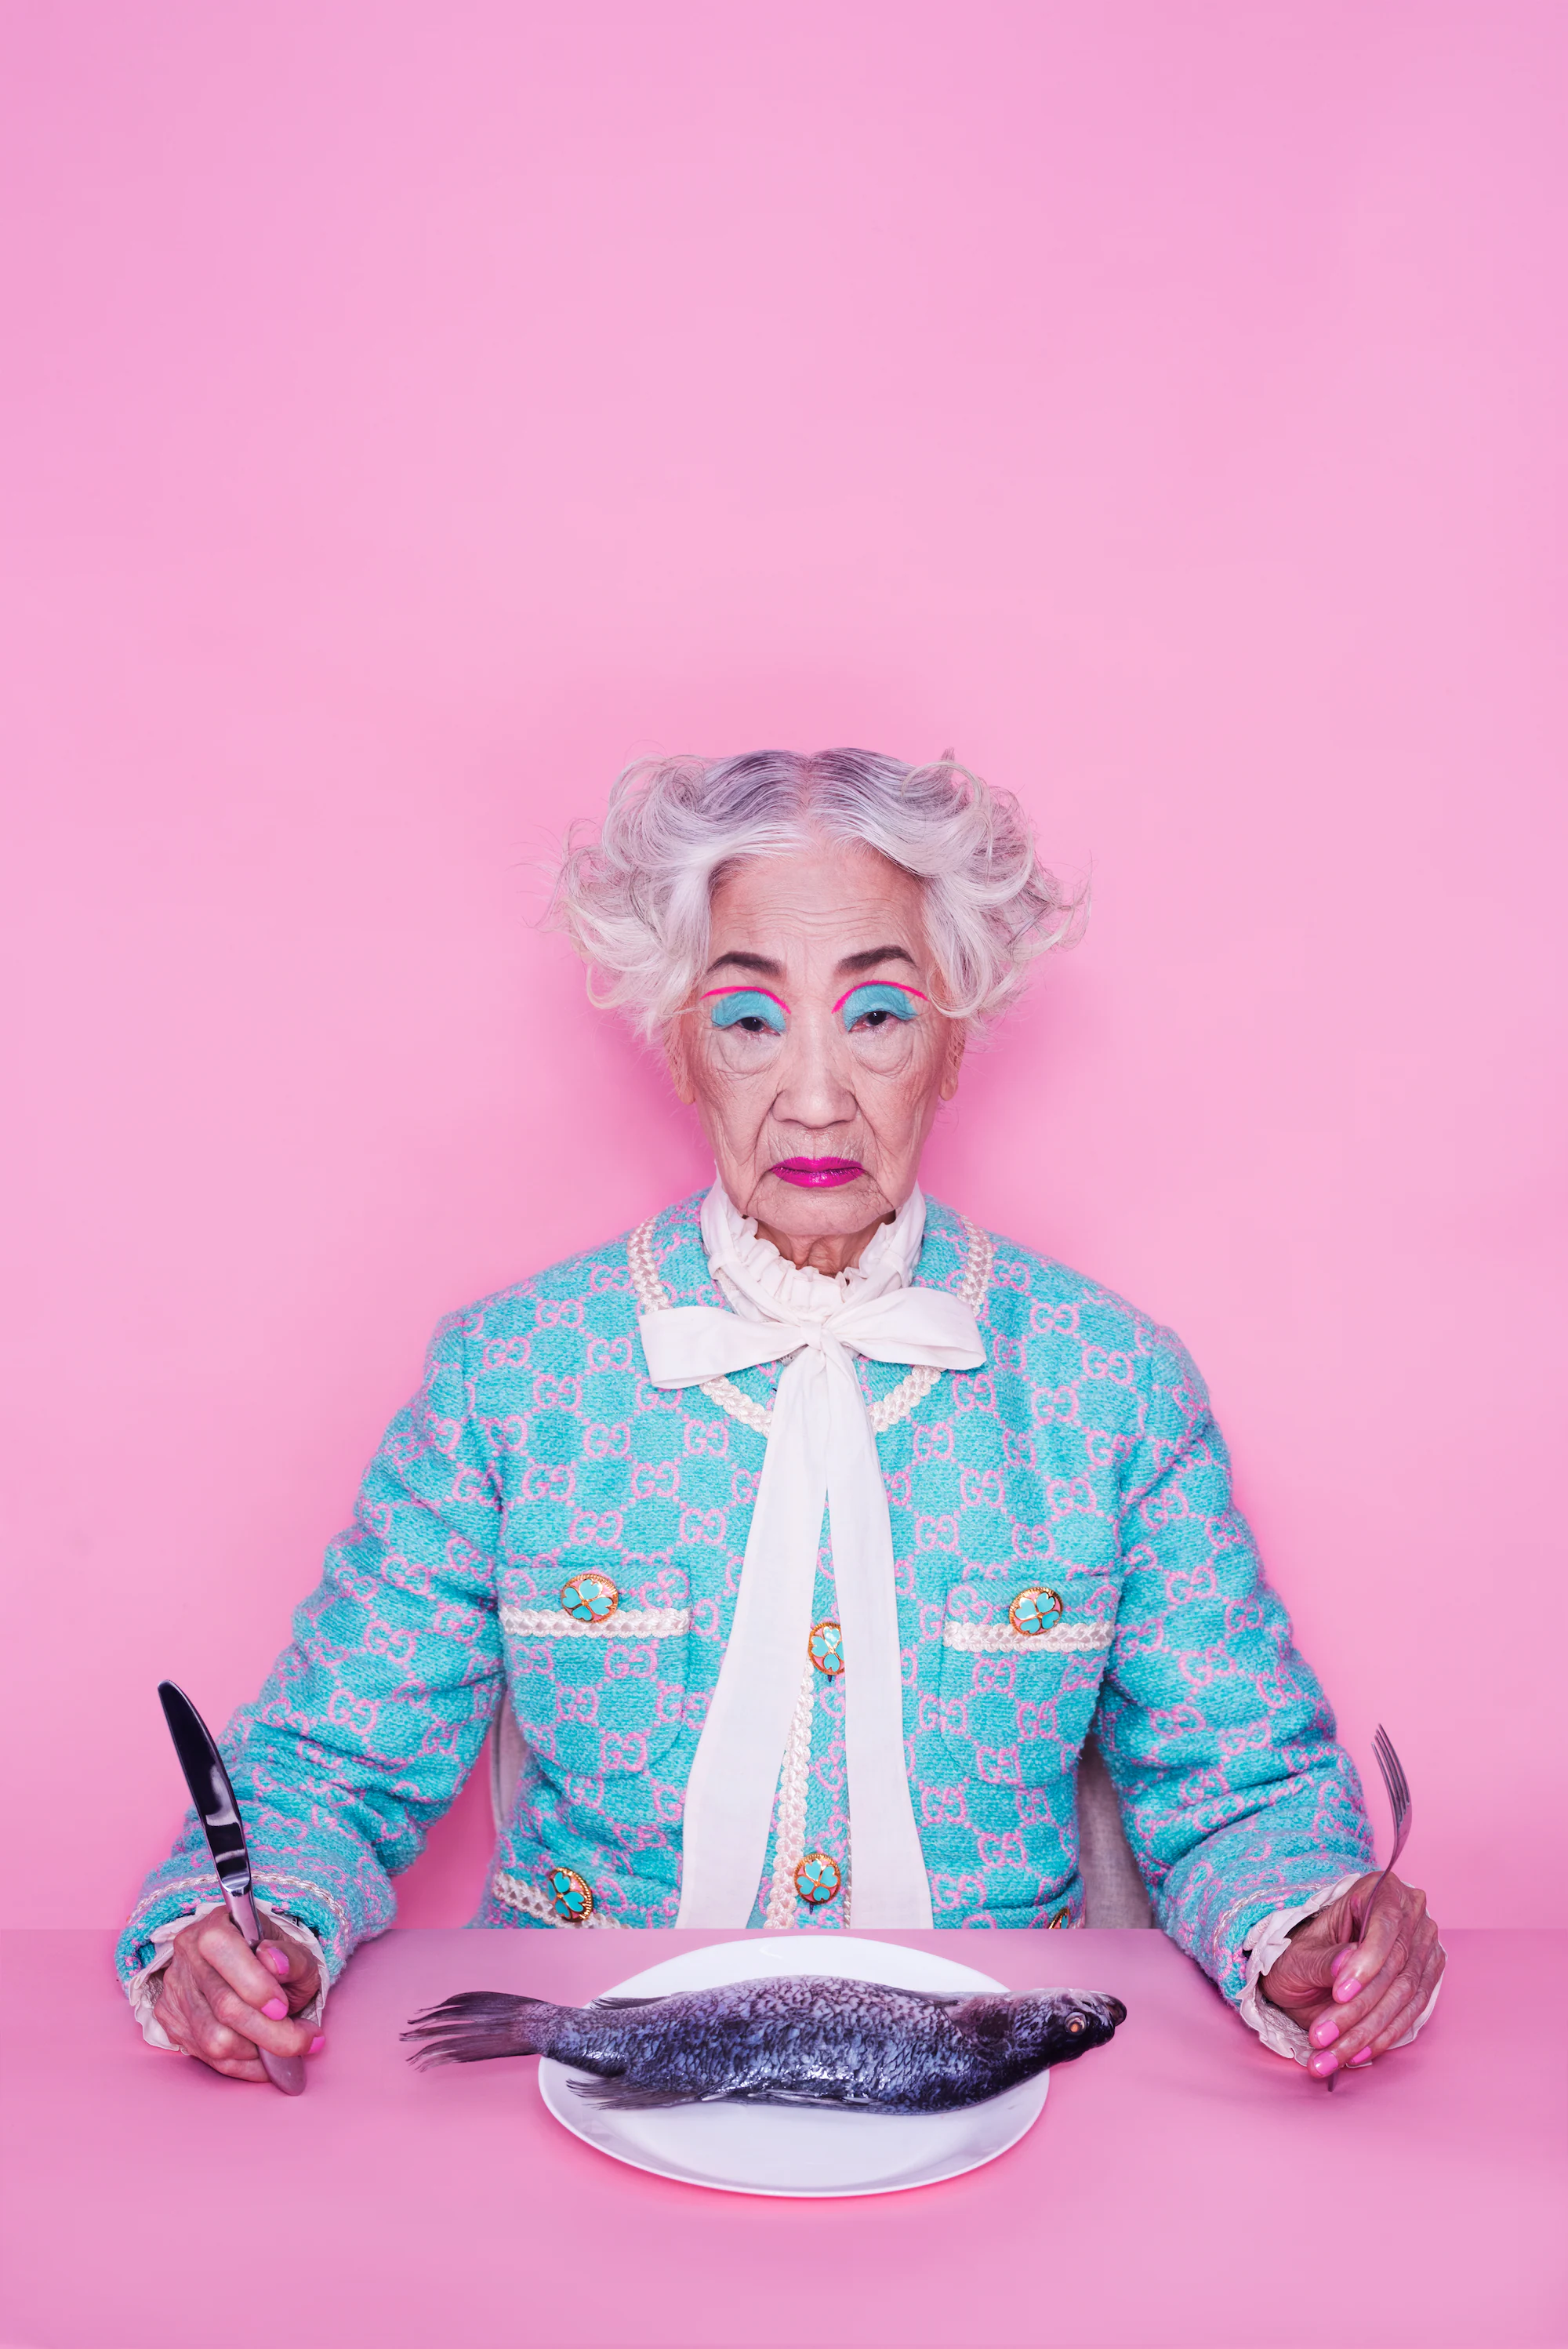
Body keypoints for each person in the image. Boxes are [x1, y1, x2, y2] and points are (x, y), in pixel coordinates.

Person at [118, 749, 1443, 2086]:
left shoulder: (1113, 1385)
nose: (816, 1095)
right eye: (750, 1018)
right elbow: (330, 1763)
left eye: (877, 1012)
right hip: (583, 2078)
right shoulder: (509, 1377)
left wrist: (1319, 1930)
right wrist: (238, 1932)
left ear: (955, 1042)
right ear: (680, 1044)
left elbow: (1243, 1788)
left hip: (996, 2088)